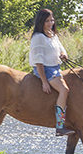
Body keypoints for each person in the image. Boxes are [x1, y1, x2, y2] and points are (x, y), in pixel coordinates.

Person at [29, 8, 75, 136]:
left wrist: (63, 54)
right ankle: (60, 126)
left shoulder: (53, 35)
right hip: (45, 69)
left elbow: (62, 49)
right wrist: (44, 81)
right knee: (64, 90)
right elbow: (38, 61)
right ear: (41, 22)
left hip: (55, 67)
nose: (50, 23)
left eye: (52, 20)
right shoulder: (38, 37)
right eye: (47, 21)